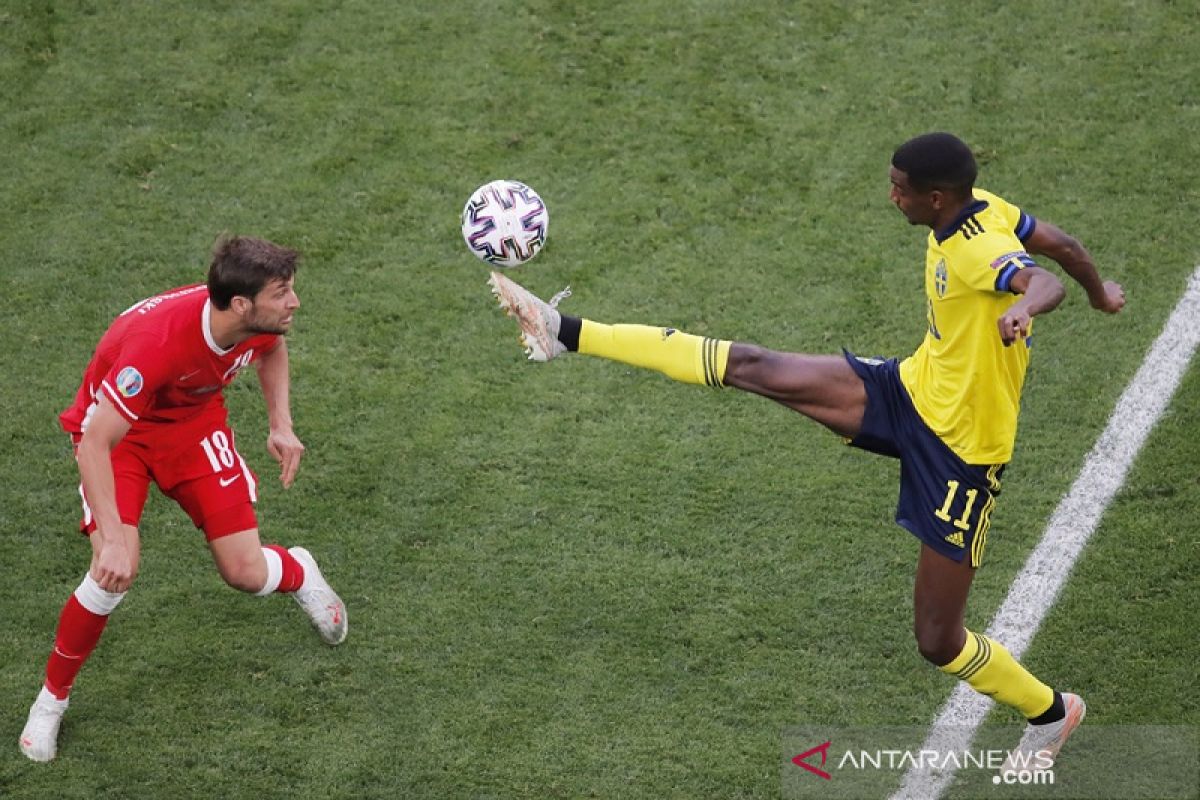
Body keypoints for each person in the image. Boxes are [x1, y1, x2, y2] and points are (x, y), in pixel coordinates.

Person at [487, 132, 1125, 775]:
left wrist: (1024, 309)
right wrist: (1102, 292)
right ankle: (565, 332)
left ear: (935, 197)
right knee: (754, 367)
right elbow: (1064, 248)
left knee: (937, 640)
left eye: (900, 188)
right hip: (910, 392)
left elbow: (1042, 279)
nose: (890, 194)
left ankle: (1050, 712)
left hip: (960, 455)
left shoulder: (980, 247)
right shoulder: (982, 204)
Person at [19, 235, 348, 762]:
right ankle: (50, 701)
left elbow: (271, 348)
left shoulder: (251, 321)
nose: (294, 303)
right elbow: (96, 442)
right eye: (283, 293)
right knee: (113, 574)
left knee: (244, 572)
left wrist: (280, 424)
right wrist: (110, 541)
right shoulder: (157, 345)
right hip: (118, 439)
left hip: (192, 428)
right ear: (242, 303)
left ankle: (299, 571)